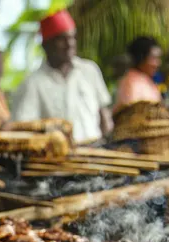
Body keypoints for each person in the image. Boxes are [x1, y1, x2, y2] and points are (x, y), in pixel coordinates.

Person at [12, 10, 113, 144]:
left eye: (72, 37)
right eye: (62, 39)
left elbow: (104, 114)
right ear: (45, 45)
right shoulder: (32, 84)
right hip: (58, 160)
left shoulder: (89, 70)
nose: (69, 44)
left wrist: (108, 142)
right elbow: (23, 128)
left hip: (97, 154)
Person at [114, 36, 163, 112]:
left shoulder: (146, 81)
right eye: (154, 58)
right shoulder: (132, 83)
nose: (158, 63)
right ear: (140, 58)